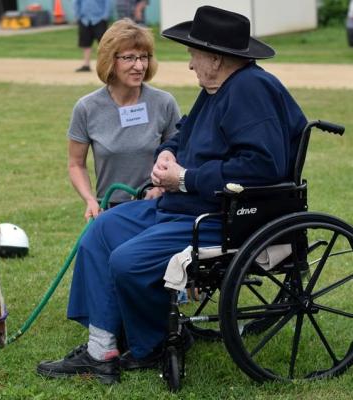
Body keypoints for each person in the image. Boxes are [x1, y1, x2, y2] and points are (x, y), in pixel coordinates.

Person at [36, 5, 307, 384]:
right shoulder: (217, 88)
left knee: (128, 261)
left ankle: (152, 345)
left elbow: (262, 167)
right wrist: (167, 153)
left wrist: (186, 177)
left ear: (215, 57)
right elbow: (183, 134)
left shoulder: (250, 90)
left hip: (222, 217)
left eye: (194, 54)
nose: (190, 64)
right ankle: (102, 351)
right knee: (100, 233)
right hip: (183, 205)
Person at [68, 18, 181, 221]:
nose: (139, 66)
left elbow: (181, 153)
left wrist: (161, 187)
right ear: (110, 61)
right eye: (129, 58)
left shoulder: (164, 103)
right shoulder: (86, 108)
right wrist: (90, 200)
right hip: (109, 209)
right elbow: (76, 164)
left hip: (157, 206)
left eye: (143, 57)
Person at [74, 0, 112, 72]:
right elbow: (77, 2)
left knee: (103, 43)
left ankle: (106, 66)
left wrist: (105, 16)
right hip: (84, 20)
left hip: (99, 19)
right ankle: (86, 65)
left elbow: (107, 2)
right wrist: (78, 16)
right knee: (85, 43)